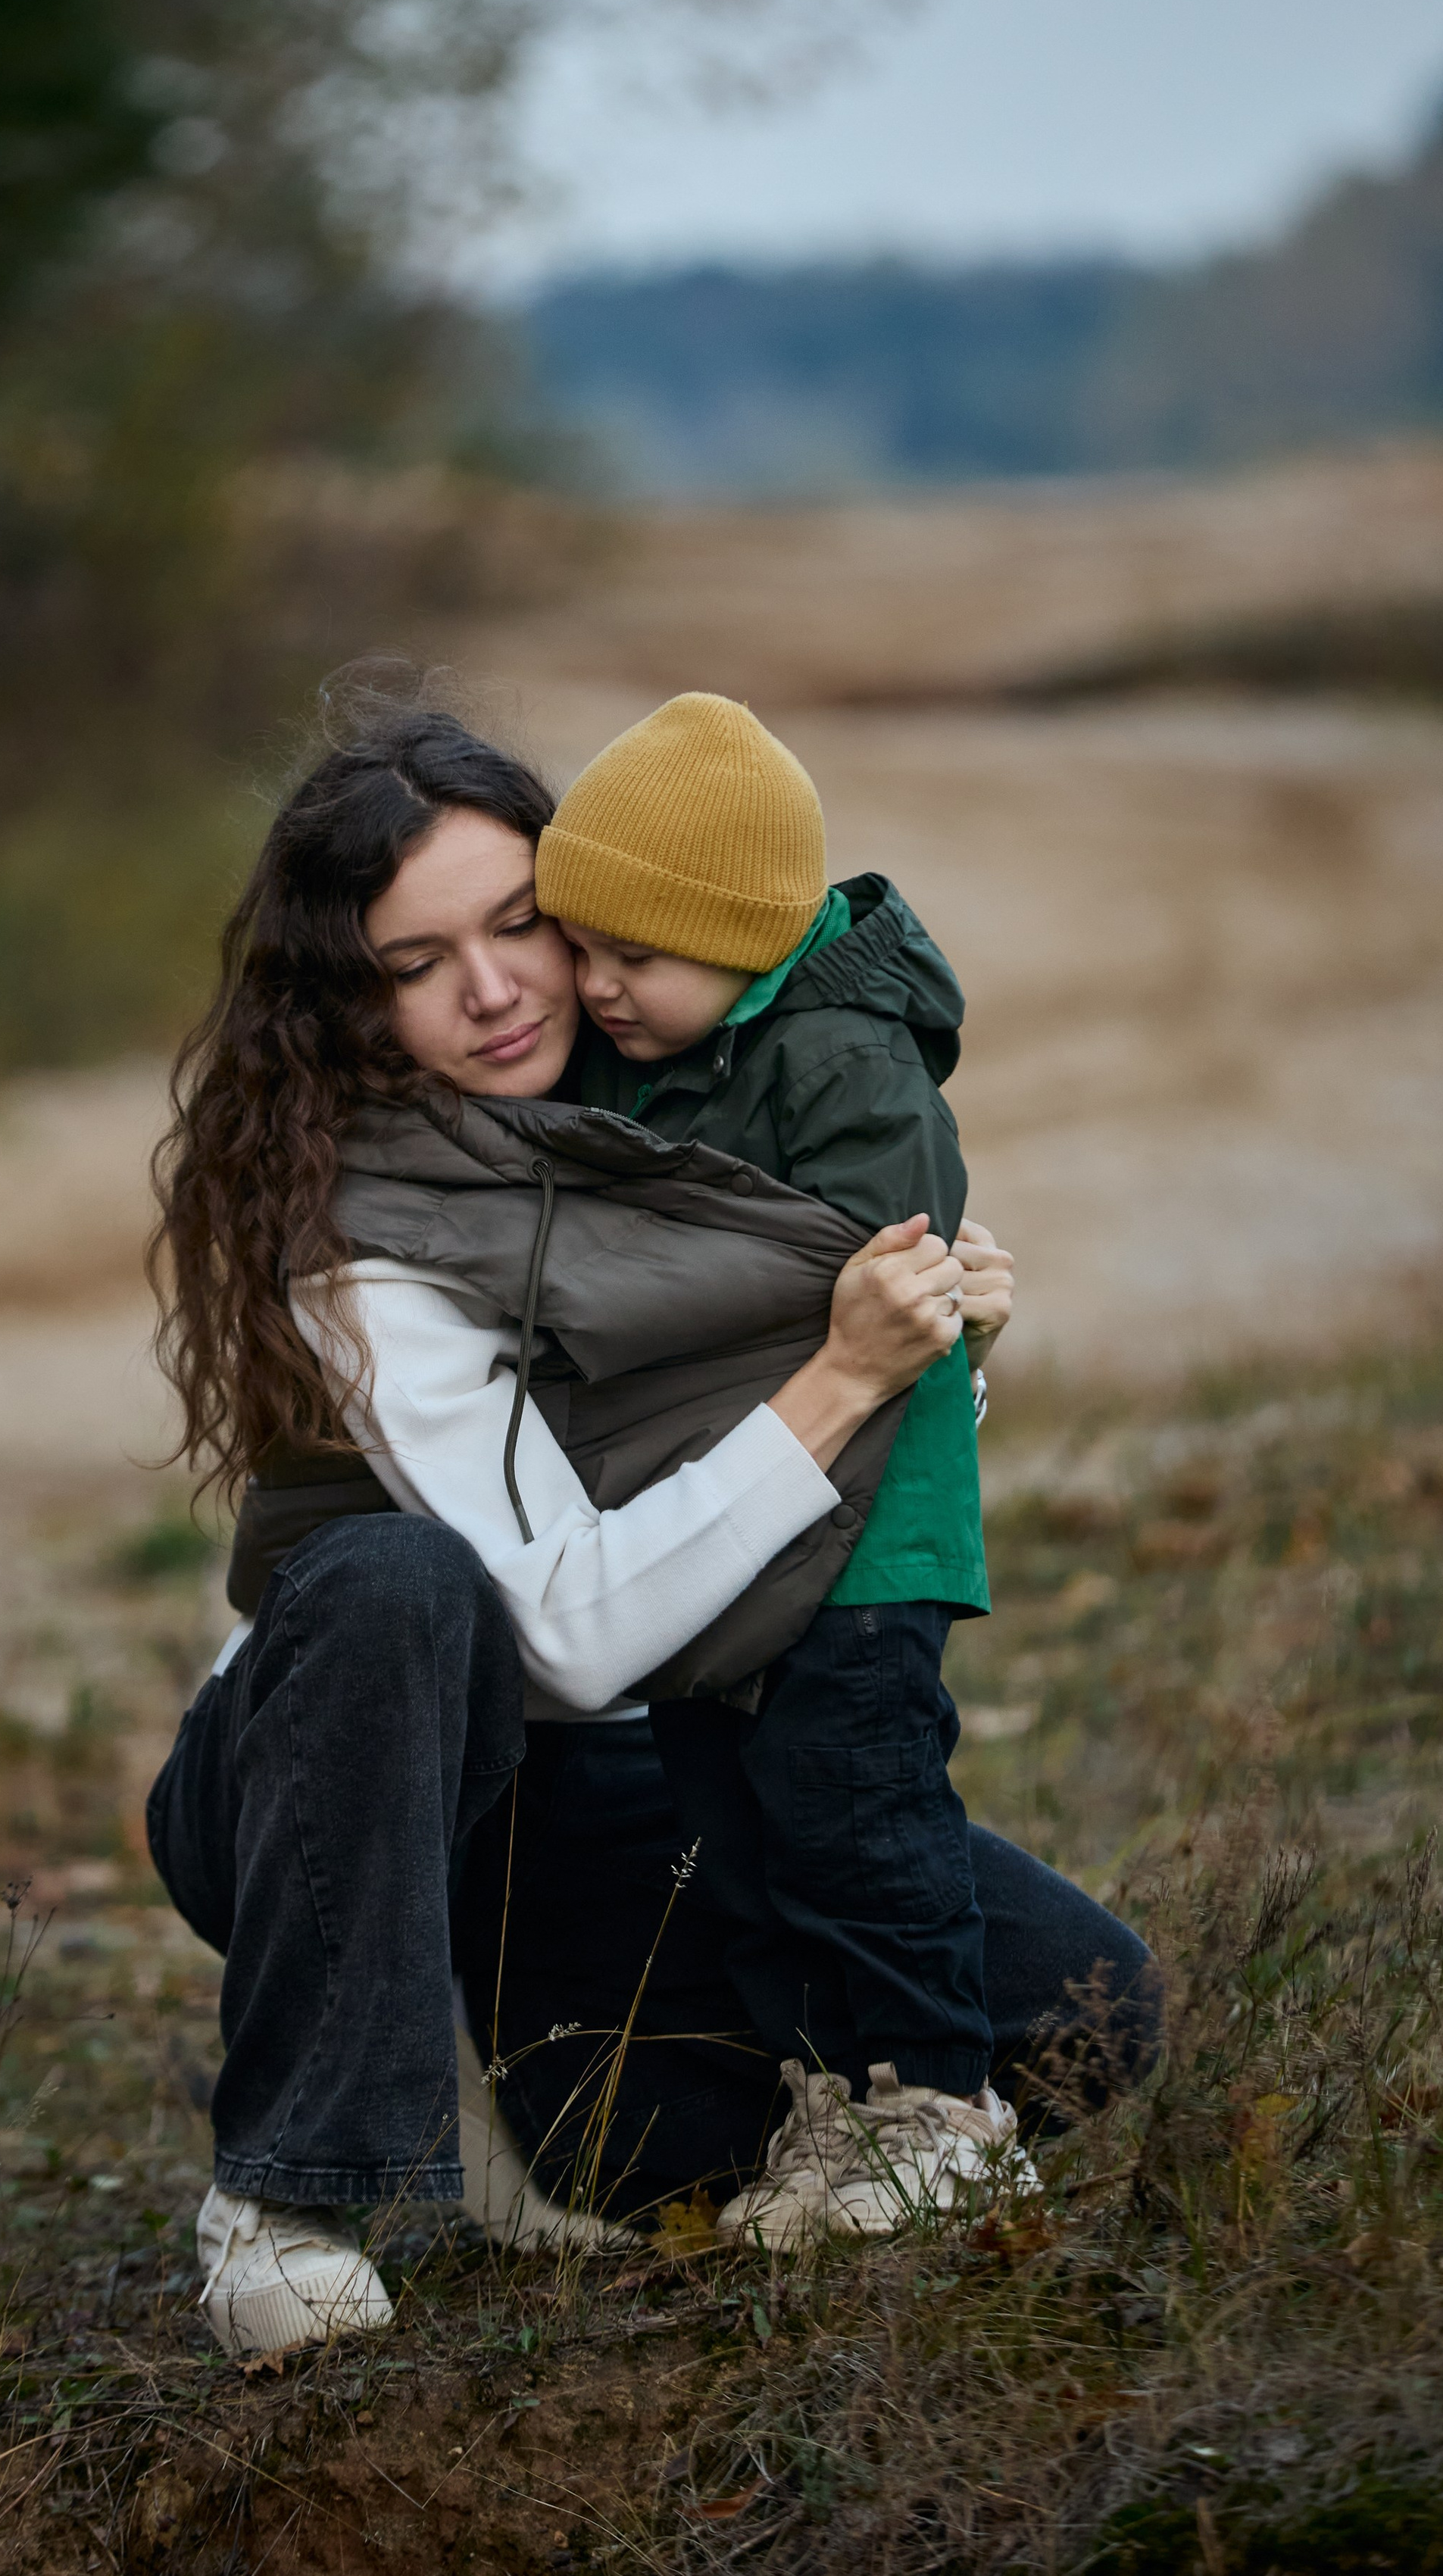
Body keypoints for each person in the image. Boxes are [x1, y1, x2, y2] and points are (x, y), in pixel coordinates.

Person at [147, 701, 1159, 2365]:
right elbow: (561, 1633)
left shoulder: (678, 1121)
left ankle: (502, 2055)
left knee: (1068, 2012)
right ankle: (286, 2192)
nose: (491, 990)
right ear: (348, 999)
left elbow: (773, 1494)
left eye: (518, 923)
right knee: (403, 1583)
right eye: (414, 961)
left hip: (636, 1764)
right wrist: (841, 1376)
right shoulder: (364, 1224)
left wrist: (941, 1353)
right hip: (358, 1766)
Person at [533, 692, 1007, 2246]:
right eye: (579, 949)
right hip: (725, 1526)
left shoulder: (843, 1067)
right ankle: (829, 2103)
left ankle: (935, 2106)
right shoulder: (652, 1055)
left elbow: (868, 1283)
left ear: (745, 938)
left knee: (852, 1810)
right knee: (732, 1829)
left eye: (636, 958)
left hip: (861, 1535)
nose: (596, 989)